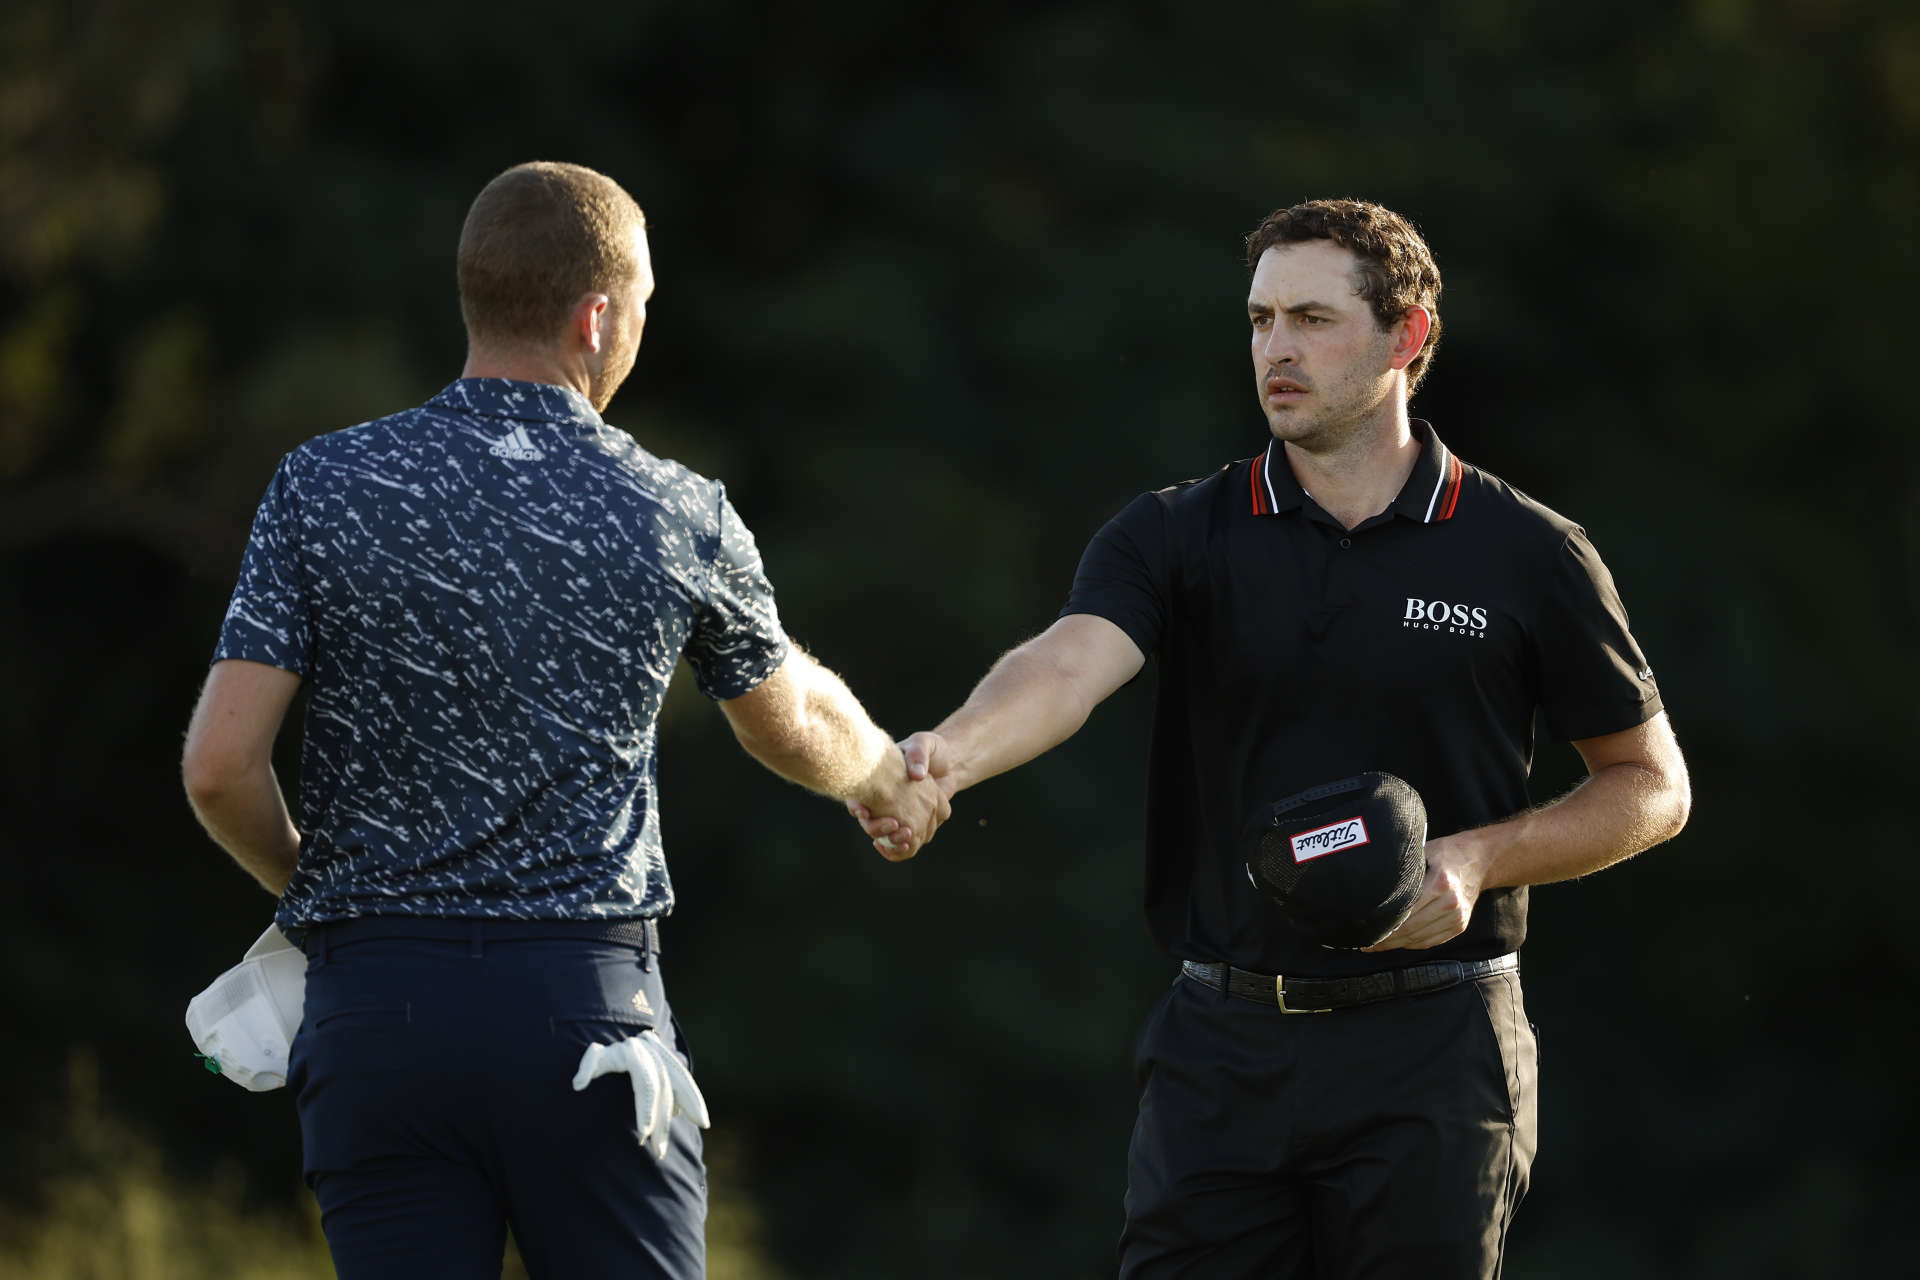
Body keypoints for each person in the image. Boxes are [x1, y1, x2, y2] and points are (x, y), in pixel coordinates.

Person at [852, 198, 1691, 1278]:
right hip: (1223, 1043)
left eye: (1311, 317)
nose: (1276, 347)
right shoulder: (1176, 532)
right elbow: (1066, 664)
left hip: (1435, 1046)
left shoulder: (1526, 551)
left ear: (1409, 337)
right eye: (1259, 319)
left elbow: (1651, 784)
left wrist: (1478, 858)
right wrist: (947, 757)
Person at [180, 160, 946, 1280]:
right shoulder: (679, 509)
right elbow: (788, 714)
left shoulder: (323, 484)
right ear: (598, 315)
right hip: (585, 1015)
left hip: (377, 1015)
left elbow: (217, 767)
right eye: (640, 308)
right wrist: (886, 776)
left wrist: (324, 906)